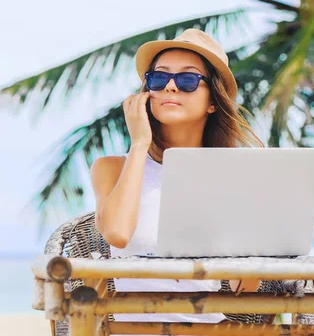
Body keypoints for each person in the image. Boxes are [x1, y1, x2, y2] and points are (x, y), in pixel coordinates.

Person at [90, 28, 264, 325]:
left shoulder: (230, 176)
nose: (170, 87)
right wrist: (139, 144)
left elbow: (246, 285)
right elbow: (117, 234)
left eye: (187, 80)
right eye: (159, 78)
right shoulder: (111, 168)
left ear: (213, 101)